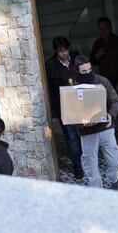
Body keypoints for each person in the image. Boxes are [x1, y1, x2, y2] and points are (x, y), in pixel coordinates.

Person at [74, 55, 118, 190]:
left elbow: (115, 101)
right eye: (84, 71)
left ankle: (114, 180)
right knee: (90, 165)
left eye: (89, 69)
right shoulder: (73, 89)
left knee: (115, 160)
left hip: (106, 128)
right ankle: (97, 191)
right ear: (78, 71)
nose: (88, 73)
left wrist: (111, 115)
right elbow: (70, 113)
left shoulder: (102, 81)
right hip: (87, 132)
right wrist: (81, 123)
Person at [45, 36, 83, 179]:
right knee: (72, 138)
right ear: (56, 51)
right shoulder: (50, 65)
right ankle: (78, 166)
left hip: (82, 103)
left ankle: (88, 162)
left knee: (86, 134)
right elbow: (50, 90)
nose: (64, 54)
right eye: (60, 51)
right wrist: (54, 112)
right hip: (64, 108)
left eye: (65, 50)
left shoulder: (76, 57)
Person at [90, 17, 118, 112]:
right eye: (100, 29)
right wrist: (97, 55)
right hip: (105, 81)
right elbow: (92, 62)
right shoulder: (98, 43)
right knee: (109, 106)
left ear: (110, 28)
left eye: (105, 28)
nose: (103, 31)